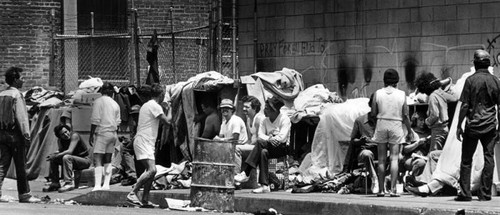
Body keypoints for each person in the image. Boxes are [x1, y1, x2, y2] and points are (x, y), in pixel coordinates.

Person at [455, 49, 500, 201]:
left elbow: (465, 105)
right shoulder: (495, 81)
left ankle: (465, 193)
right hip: (489, 125)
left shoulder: (470, 80)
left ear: (475, 63)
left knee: (466, 160)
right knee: (489, 158)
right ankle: (485, 193)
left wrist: (458, 125)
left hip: (472, 125)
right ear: (488, 64)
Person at [0, 67, 41, 203]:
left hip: (2, 133)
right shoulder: (17, 95)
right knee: (21, 166)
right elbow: (22, 118)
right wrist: (26, 135)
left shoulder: (2, 94)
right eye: (22, 78)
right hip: (15, 135)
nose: (24, 80)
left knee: (3, 164)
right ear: (16, 80)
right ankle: (25, 194)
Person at [234, 97, 291, 193]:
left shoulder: (284, 119)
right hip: (269, 146)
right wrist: (270, 138)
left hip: (281, 148)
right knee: (263, 152)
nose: (265, 110)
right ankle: (265, 185)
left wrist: (270, 138)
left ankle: (246, 173)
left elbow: (282, 138)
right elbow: (260, 135)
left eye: (267, 108)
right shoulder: (264, 120)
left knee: (260, 143)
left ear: (274, 110)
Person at [126, 84, 170, 208]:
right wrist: (170, 108)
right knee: (152, 170)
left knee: (150, 173)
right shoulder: (155, 106)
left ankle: (145, 199)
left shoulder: (147, 105)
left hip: (145, 141)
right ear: (161, 95)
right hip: (144, 141)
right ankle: (133, 192)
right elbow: (168, 122)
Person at [371, 68, 413, 197]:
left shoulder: (377, 93)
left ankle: (381, 190)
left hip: (382, 123)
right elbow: (405, 115)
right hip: (396, 124)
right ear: (396, 81)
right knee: (394, 159)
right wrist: (409, 130)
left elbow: (373, 113)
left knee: (382, 160)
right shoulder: (401, 94)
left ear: (384, 81)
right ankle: (394, 190)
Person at [342, 94, 379, 193]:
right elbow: (353, 141)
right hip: (365, 150)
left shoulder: (382, 121)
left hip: (380, 150)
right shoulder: (360, 121)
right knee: (367, 154)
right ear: (370, 105)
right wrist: (361, 141)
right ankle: (374, 178)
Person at [89, 82, 121, 191]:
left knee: (98, 158)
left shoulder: (98, 102)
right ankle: (106, 184)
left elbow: (95, 119)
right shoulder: (115, 104)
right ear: (111, 92)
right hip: (113, 133)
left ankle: (97, 185)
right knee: (108, 159)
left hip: (102, 132)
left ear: (102, 91)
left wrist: (91, 134)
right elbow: (118, 122)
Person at [43, 124, 92, 192]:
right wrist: (53, 155)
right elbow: (61, 151)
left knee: (66, 157)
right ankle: (55, 183)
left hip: (84, 160)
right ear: (60, 136)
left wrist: (57, 155)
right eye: (62, 134)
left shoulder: (74, 136)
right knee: (53, 159)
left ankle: (69, 183)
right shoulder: (60, 141)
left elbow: (69, 151)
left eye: (66, 132)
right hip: (72, 161)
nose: (66, 135)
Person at [235, 96, 265, 175]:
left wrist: (247, 145)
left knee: (236, 149)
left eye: (247, 107)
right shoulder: (248, 119)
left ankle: (237, 175)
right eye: (243, 106)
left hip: (259, 147)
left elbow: (260, 138)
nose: (244, 109)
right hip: (253, 146)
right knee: (236, 147)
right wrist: (245, 144)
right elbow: (249, 138)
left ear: (254, 108)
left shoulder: (259, 119)